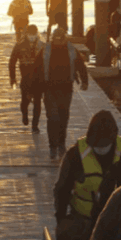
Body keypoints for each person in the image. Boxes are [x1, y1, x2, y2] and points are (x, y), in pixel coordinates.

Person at [53, 110, 121, 240]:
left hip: (115, 226)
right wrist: (61, 219)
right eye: (97, 144)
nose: (100, 148)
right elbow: (62, 189)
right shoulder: (75, 155)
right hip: (83, 224)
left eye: (104, 144)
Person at [41, 27, 89, 159]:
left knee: (63, 118)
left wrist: (85, 81)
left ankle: (61, 143)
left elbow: (80, 65)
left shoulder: (71, 50)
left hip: (66, 89)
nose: (57, 42)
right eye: (55, 39)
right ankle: (52, 146)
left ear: (64, 39)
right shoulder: (45, 50)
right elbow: (37, 69)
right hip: (49, 88)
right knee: (52, 118)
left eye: (60, 39)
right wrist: (34, 89)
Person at [7, 24, 45, 132]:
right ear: (26, 34)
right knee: (25, 101)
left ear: (37, 33)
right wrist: (12, 78)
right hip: (26, 78)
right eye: (30, 34)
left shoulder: (42, 45)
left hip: (39, 78)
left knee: (37, 102)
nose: (32, 36)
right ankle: (24, 113)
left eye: (34, 34)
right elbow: (12, 62)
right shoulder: (19, 45)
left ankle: (35, 125)